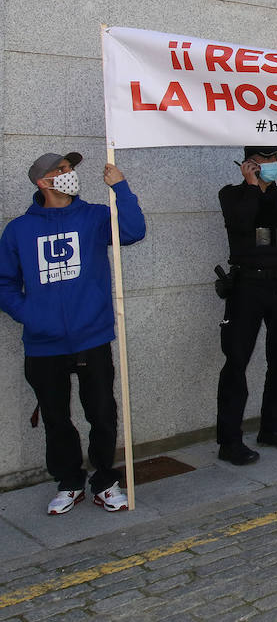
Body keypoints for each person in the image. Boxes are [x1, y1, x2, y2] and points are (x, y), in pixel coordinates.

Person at [0, 152, 146, 515]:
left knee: (101, 412)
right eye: (61, 170)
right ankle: (68, 482)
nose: (70, 174)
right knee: (56, 417)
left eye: (71, 169)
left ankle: (104, 482)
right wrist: (31, 316)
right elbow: (4, 284)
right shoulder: (19, 229)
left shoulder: (94, 216)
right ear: (43, 182)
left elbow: (133, 231)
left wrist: (121, 188)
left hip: (92, 338)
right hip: (43, 344)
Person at [216, 147, 277, 465]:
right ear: (251, 164)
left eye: (275, 160)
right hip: (248, 287)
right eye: (266, 161)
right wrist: (250, 187)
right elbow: (242, 223)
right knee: (237, 361)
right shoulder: (232, 195)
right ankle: (230, 441)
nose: (273, 166)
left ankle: (273, 428)